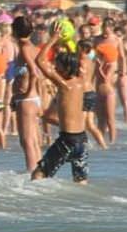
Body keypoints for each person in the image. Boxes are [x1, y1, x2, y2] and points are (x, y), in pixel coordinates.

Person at [29, 48, 91, 184]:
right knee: (80, 180)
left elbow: (39, 61)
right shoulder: (82, 82)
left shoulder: (64, 86)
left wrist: (54, 38)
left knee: (38, 175)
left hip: (67, 140)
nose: (55, 69)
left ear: (67, 68)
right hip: (82, 140)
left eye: (58, 67)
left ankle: (35, 204)